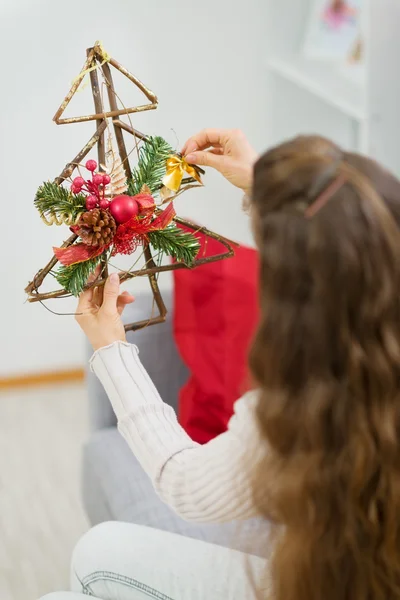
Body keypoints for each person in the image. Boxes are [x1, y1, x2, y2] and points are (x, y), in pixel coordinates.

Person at [40, 129, 400, 600]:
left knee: (78, 575)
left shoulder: (302, 411)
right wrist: (267, 187)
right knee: (97, 553)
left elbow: (183, 481)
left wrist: (111, 348)